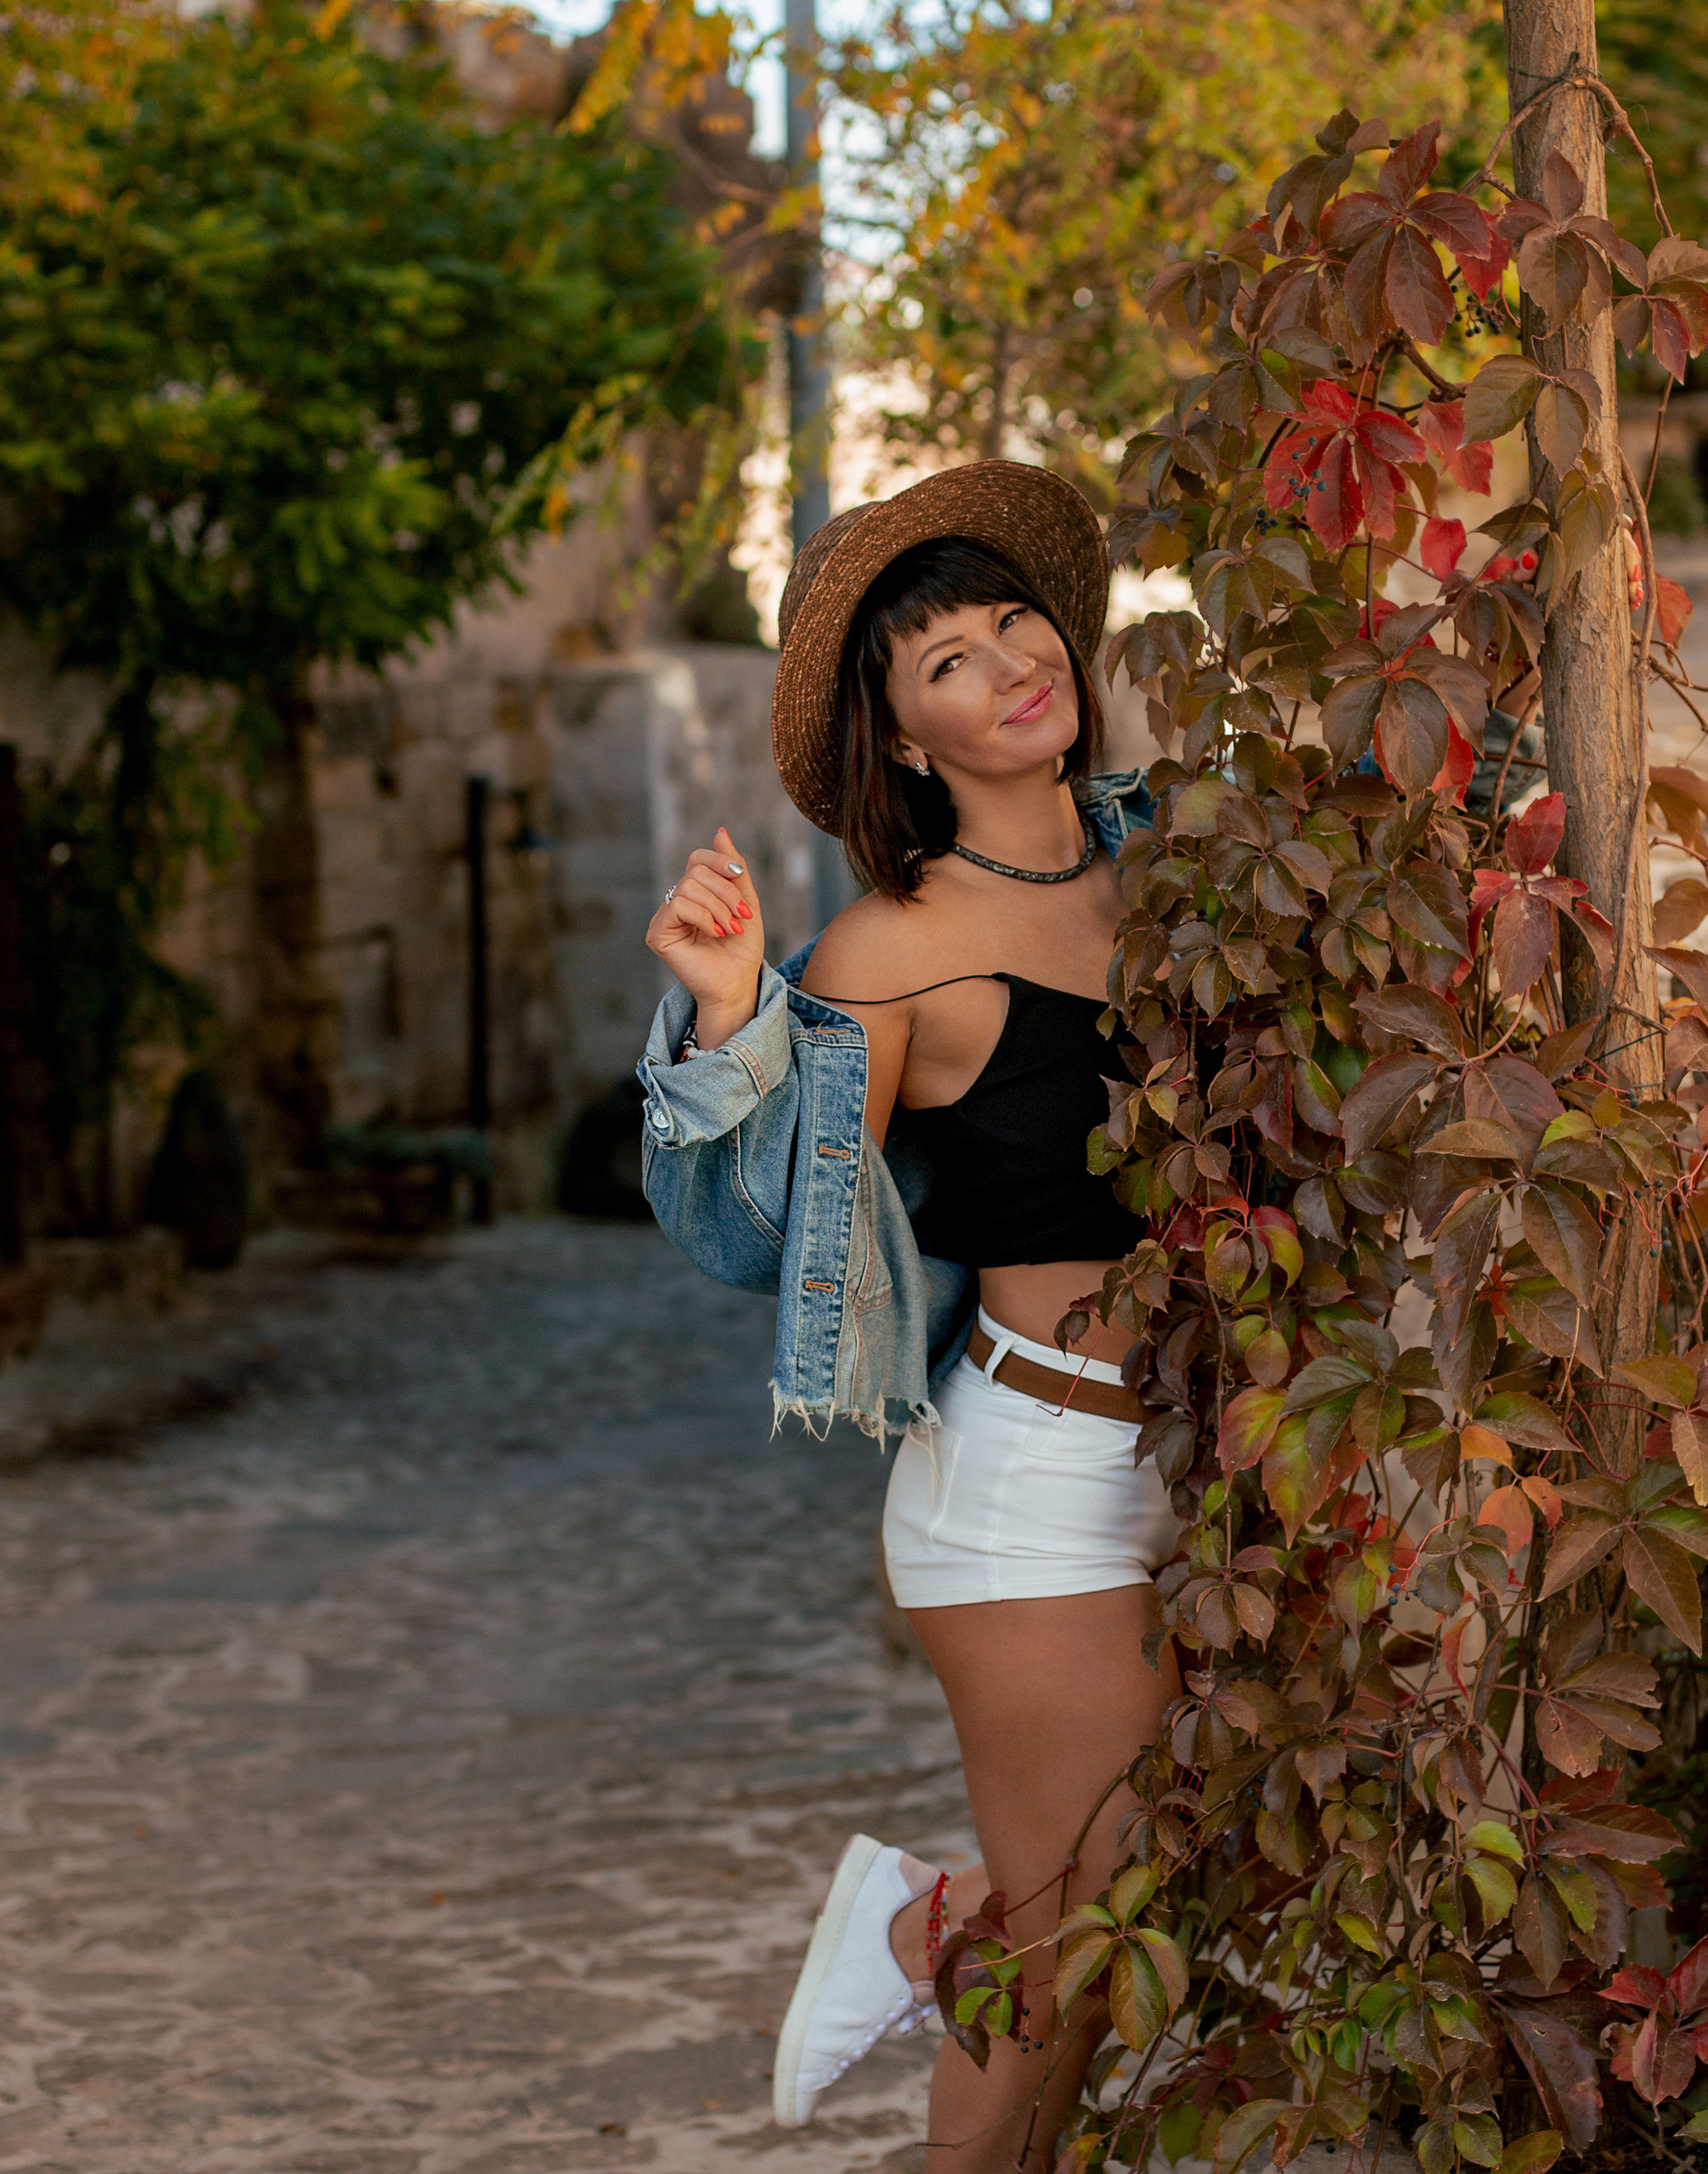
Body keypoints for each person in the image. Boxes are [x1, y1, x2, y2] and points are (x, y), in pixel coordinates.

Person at [637, 461, 1175, 2171]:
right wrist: (734, 1023)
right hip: (1035, 1481)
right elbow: (765, 1233)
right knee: (1072, 1959)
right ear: (910, 741)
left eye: (1013, 616)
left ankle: (914, 1925)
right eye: (944, 657)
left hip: (1212, 1464)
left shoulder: (1176, 863)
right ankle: (937, 1950)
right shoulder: (892, 951)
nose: (1007, 658)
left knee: (1151, 1901)